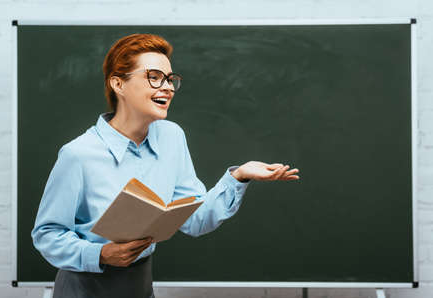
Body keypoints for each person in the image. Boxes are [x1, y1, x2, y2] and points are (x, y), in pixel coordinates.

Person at [31, 33, 300, 298]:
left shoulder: (172, 137)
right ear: (118, 84)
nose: (168, 87)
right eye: (154, 77)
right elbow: (47, 234)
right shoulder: (78, 154)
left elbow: (195, 219)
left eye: (170, 79)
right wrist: (99, 254)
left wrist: (239, 176)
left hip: (139, 286)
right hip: (83, 289)